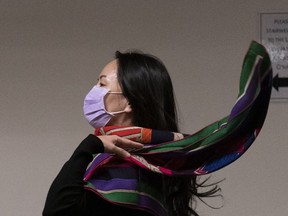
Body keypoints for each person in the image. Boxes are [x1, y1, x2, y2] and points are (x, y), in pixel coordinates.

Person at [43, 51, 221, 216]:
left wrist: (88, 146)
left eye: (102, 84)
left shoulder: (128, 171)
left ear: (130, 102)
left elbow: (57, 210)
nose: (94, 90)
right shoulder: (138, 162)